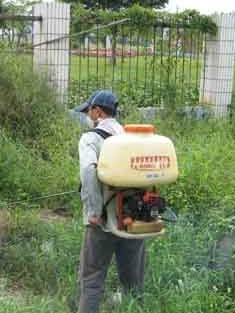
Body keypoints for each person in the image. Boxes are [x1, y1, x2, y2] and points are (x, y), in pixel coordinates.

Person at [73, 90, 146, 313]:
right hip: (132, 220)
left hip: (103, 221)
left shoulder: (91, 139)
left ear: (98, 111)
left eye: (89, 110)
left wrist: (94, 211)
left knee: (92, 280)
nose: (88, 114)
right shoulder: (131, 138)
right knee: (133, 284)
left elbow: (88, 171)